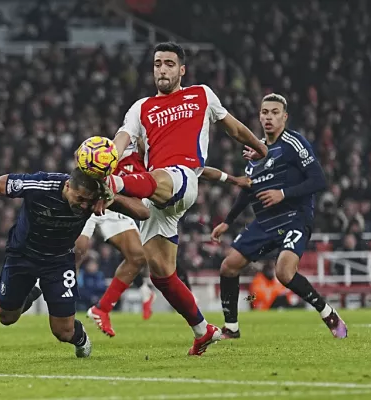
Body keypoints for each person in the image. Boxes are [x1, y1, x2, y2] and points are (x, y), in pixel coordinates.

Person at [98, 41, 266, 355]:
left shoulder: (201, 94)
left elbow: (233, 127)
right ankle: (202, 331)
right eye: (158, 63)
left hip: (182, 177)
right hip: (156, 191)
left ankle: (113, 185)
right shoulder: (141, 107)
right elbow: (123, 138)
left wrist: (260, 146)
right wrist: (109, 154)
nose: (162, 69)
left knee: (155, 178)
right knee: (161, 274)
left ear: (182, 69)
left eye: (169, 64)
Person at [0, 168, 150, 358]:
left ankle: (81, 338)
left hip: (59, 261)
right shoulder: (41, 184)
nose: (83, 206)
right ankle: (31, 293)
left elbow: (144, 213)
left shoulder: (94, 200)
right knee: (7, 317)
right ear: (67, 186)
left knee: (63, 332)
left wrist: (113, 199)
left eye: (88, 201)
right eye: (79, 199)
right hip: (21, 256)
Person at [212, 93, 348, 339]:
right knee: (228, 267)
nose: (269, 117)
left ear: (284, 117)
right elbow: (248, 188)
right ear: (259, 116)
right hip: (265, 222)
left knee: (284, 273)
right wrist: (226, 222)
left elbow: (318, 180)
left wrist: (283, 193)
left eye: (275, 112)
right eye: (265, 112)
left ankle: (327, 312)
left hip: (294, 217)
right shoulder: (256, 150)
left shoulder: (294, 142)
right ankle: (231, 328)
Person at [79, 144, 252, 337]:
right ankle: (62, 308)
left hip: (120, 204)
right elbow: (92, 164)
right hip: (95, 197)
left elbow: (200, 171)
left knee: (138, 258)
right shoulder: (121, 149)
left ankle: (100, 309)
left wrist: (234, 180)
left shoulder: (161, 158)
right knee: (78, 250)